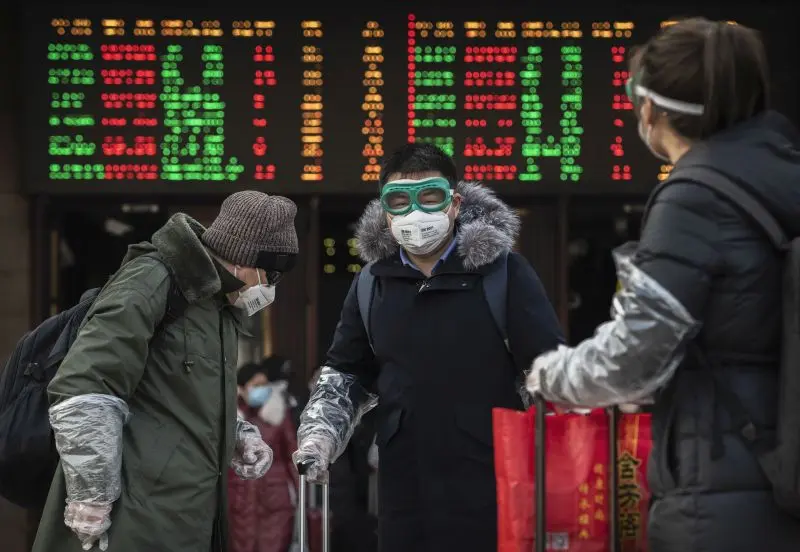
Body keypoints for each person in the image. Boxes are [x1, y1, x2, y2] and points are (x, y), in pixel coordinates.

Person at [526, 18, 800, 552]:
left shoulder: (695, 197)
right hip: (782, 478)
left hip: (722, 490)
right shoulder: (782, 175)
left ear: (649, 109)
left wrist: (549, 376)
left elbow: (634, 357)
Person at [294, 143, 564, 551]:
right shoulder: (373, 283)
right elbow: (347, 373)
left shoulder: (502, 274)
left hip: (494, 486)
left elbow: (549, 372)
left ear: (454, 203)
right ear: (385, 210)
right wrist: (319, 436)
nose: (414, 212)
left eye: (430, 197)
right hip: (405, 491)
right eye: (399, 200)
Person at [32, 191, 299, 552]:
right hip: (137, 514)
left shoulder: (219, 304)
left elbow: (180, 393)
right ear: (244, 259)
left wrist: (235, 434)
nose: (269, 286)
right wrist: (91, 493)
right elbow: (85, 384)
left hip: (190, 514)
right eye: (272, 273)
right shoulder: (154, 280)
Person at [228, 360, 300, 552]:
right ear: (241, 388)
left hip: (274, 499)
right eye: (256, 385)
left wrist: (301, 490)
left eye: (264, 384)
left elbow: (291, 454)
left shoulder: (277, 414)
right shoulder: (230, 416)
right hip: (239, 501)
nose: (262, 389)